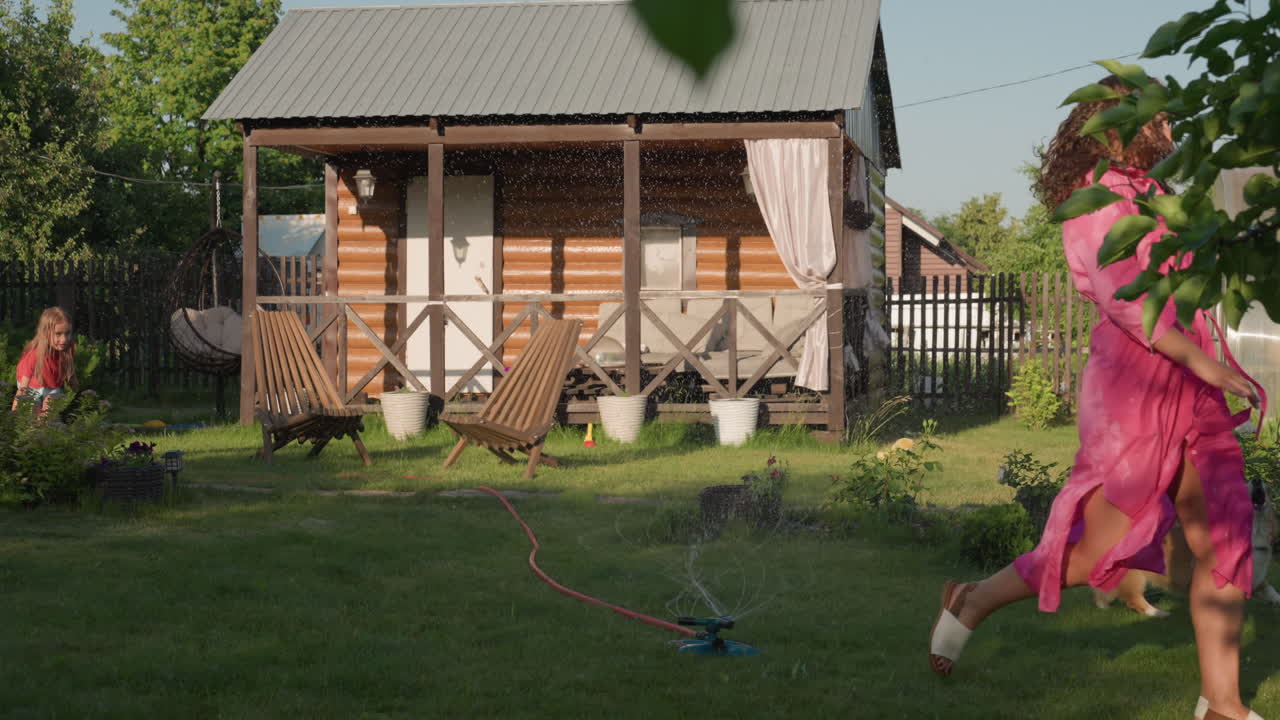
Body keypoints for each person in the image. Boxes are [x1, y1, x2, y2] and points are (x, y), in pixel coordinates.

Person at [927, 75, 1266, 720]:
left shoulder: (1161, 194)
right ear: (1119, 127)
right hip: (1136, 390)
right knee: (1096, 553)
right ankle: (973, 600)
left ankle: (1222, 704)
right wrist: (1203, 360)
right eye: (1157, 122)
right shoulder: (1092, 204)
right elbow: (1126, 300)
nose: (1169, 132)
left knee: (1224, 539)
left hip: (1194, 390)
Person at [11, 307, 77, 416]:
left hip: (52, 386)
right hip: (31, 387)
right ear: (46, 333)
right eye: (58, 334)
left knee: (47, 414)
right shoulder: (34, 354)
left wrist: (74, 384)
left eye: (67, 333)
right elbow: (22, 390)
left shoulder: (69, 346)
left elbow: (68, 365)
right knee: (35, 417)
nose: (64, 339)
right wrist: (12, 416)